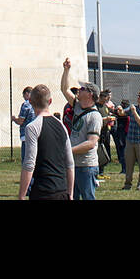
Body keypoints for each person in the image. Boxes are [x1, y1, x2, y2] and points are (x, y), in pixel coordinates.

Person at [19, 84, 75, 201]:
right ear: (50, 101)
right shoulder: (61, 126)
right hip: (62, 189)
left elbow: (29, 163)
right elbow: (69, 163)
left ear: (31, 101)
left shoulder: (32, 127)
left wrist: (22, 195)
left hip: (42, 191)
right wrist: (70, 193)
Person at [60, 64, 101, 200]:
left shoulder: (95, 116)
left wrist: (69, 150)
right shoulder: (77, 106)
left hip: (87, 166)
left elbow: (91, 143)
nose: (79, 90)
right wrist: (66, 70)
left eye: (82, 88)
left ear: (90, 94)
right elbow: (64, 89)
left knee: (88, 197)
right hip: (74, 164)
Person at [11, 87, 35, 162]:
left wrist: (14, 119)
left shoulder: (26, 105)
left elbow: (21, 121)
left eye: (24, 95)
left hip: (26, 134)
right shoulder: (37, 104)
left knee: (26, 160)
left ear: (27, 94)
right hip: (36, 134)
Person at [113, 99, 129, 175]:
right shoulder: (121, 111)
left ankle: (125, 169)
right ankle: (124, 169)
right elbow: (115, 112)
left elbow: (119, 113)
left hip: (124, 134)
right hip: (122, 133)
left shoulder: (126, 112)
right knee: (122, 151)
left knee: (123, 151)